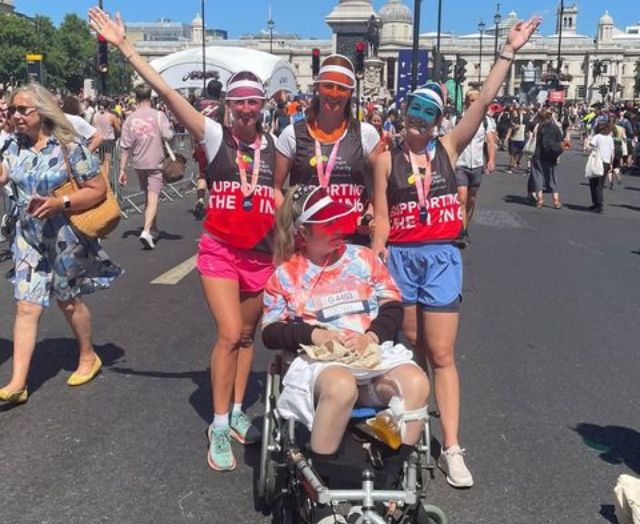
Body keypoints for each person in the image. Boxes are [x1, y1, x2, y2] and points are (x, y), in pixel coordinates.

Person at [89, 6, 277, 472]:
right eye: (241, 102)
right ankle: (217, 424)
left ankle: (236, 414)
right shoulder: (215, 136)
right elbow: (168, 92)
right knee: (230, 333)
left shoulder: (278, 146)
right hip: (219, 249)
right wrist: (125, 47)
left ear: (263, 105)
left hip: (261, 253)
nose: (248, 109)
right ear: (229, 106)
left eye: (255, 102)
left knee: (249, 337)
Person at [371, 16, 541, 488]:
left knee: (442, 352)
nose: (417, 120)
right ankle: (412, 426)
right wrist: (377, 255)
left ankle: (452, 445)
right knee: (411, 349)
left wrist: (509, 50)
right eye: (412, 111)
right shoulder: (386, 159)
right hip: (402, 259)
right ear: (403, 113)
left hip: (442, 256)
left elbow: (484, 100)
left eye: (427, 113)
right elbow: (381, 215)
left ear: (438, 120)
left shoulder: (449, 146)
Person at [262, 185, 429, 460]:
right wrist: (314, 335)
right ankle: (323, 475)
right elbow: (270, 332)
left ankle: (392, 473)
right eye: (327, 225)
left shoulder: (363, 258)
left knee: (416, 383)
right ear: (303, 231)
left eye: (338, 221)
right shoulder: (286, 274)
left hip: (371, 356)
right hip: (322, 365)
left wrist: (371, 337)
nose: (337, 229)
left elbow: (392, 305)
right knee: (341, 386)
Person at [0, 84, 122, 405]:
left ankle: (87, 355)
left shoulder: (68, 146)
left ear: (41, 111)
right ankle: (17, 383)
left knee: (68, 301)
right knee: (26, 305)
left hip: (64, 235)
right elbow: (3, 173)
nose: (15, 116)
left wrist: (59, 202)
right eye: (12, 110)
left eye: (22, 110)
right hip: (27, 238)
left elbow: (96, 189)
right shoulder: (12, 146)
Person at [274, 54, 381, 242]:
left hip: (352, 242)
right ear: (317, 88)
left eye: (342, 88)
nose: (334, 94)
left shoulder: (366, 134)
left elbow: (381, 187)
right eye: (328, 86)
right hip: (308, 243)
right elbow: (275, 188)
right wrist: (290, 224)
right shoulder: (291, 135)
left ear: (350, 92)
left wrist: (370, 214)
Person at [118, 84, 174, 249]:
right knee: (154, 196)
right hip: (156, 162)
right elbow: (168, 135)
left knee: (148, 196)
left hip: (139, 163)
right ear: (151, 97)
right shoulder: (159, 115)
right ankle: (147, 230)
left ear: (136, 98)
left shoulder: (130, 119)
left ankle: (153, 228)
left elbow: (125, 146)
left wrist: (122, 169)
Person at [454, 90, 497, 239]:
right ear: (466, 102)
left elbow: (490, 141)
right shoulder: (458, 119)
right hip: (460, 164)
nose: (473, 103)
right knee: (462, 198)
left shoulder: (486, 121)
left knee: (471, 199)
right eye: (471, 100)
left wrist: (491, 160)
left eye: (476, 101)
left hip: (477, 165)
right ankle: (461, 231)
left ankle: (465, 225)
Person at [530, 109, 565, 209]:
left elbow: (530, 125)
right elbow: (561, 141)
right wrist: (558, 154)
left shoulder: (538, 127)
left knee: (538, 176)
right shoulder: (555, 127)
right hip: (551, 155)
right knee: (552, 177)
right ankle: (556, 200)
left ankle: (539, 200)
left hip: (538, 154)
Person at [587, 121, 614, 214]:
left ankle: (597, 203)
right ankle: (597, 203)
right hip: (606, 162)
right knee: (600, 183)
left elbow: (590, 146)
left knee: (593, 182)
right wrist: (611, 163)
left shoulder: (597, 137)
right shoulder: (610, 138)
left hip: (597, 161)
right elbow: (612, 152)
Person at [93, 99, 121, 178]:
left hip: (98, 140)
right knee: (107, 161)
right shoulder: (111, 116)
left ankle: (102, 178)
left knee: (101, 161)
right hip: (108, 140)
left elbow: (92, 127)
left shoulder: (95, 115)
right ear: (108, 106)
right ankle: (106, 180)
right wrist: (117, 136)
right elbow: (118, 129)